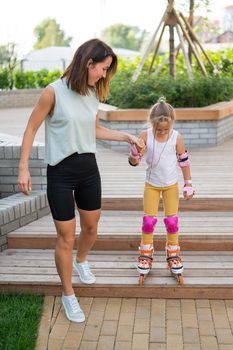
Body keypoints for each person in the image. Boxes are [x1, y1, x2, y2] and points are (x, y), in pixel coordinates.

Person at [17, 38, 140, 323]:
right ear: (89, 62)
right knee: (66, 236)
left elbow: (93, 128)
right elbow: (31, 127)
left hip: (88, 169)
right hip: (60, 172)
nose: (104, 74)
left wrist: (126, 137)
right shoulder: (53, 92)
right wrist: (23, 168)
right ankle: (68, 294)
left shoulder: (92, 92)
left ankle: (81, 260)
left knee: (92, 229)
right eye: (103, 68)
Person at [128, 96, 195, 284]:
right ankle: (145, 254)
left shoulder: (176, 137)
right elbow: (135, 160)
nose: (163, 132)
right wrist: (134, 156)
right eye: (159, 130)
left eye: (166, 129)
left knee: (172, 222)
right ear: (152, 124)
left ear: (172, 123)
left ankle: (173, 252)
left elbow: (184, 162)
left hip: (171, 185)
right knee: (148, 221)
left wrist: (188, 183)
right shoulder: (145, 136)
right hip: (151, 185)